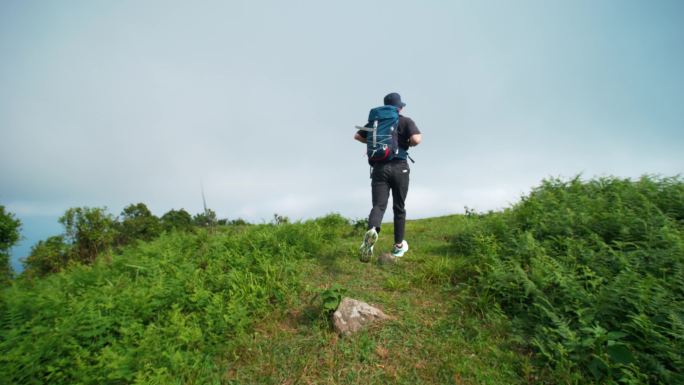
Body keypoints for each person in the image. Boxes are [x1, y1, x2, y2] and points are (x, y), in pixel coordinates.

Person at [354, 92, 422, 261]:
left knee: (378, 206)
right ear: (399, 107)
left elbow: (357, 136)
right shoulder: (405, 121)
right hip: (399, 167)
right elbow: (416, 139)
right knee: (399, 208)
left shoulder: (375, 122)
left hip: (379, 169)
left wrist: (371, 141)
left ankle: (372, 230)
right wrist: (406, 143)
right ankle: (398, 246)